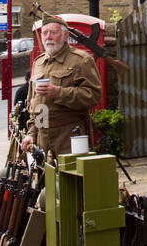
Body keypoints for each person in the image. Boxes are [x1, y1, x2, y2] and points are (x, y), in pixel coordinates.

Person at [20, 20, 102, 159]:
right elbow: (36, 105)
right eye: (44, 33)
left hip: (70, 136)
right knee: (44, 180)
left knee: (71, 179)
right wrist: (32, 134)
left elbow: (93, 95)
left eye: (53, 32)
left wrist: (58, 92)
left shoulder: (81, 60)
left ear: (65, 36)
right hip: (42, 139)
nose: (48, 37)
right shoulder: (38, 62)